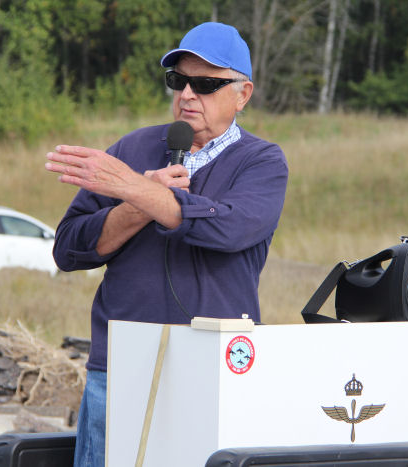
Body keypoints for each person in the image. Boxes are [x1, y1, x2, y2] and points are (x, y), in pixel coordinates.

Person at [45, 22, 288, 467]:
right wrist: (137, 201)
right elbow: (68, 248)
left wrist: (137, 190)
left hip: (218, 370)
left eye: (207, 84)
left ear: (243, 94)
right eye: (179, 81)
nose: (188, 95)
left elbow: (227, 229)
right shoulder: (132, 149)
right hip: (118, 370)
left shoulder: (263, 162)